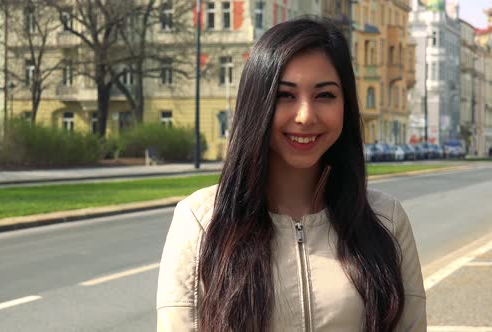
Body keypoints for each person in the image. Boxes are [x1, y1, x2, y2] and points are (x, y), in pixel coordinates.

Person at [157, 18, 426, 332]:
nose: (305, 115)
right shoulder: (202, 221)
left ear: (346, 106)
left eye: (324, 95)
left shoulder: (386, 220)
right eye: (285, 95)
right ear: (257, 104)